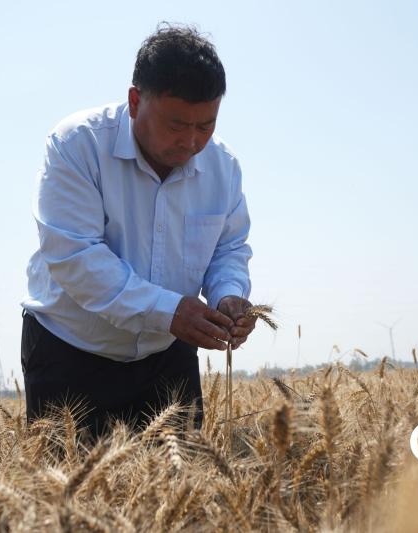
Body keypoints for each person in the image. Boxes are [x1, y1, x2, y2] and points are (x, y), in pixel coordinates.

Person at [20, 24, 256, 441]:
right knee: (67, 500)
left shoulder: (224, 167)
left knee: (181, 495)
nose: (191, 142)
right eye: (176, 124)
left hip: (167, 353)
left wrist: (228, 294)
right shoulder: (77, 144)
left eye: (206, 126)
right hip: (69, 353)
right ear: (134, 101)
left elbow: (228, 247)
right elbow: (75, 257)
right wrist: (169, 311)